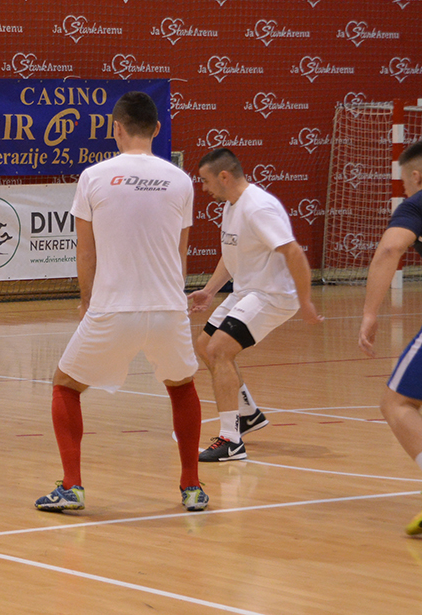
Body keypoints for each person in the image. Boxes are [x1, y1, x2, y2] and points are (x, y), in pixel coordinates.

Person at [35, 91, 208, 514]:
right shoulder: (181, 180)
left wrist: (86, 301)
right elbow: (181, 252)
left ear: (116, 128)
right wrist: (173, 300)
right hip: (168, 307)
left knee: (65, 385)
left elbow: (86, 251)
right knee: (181, 386)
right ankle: (191, 487)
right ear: (157, 129)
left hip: (113, 308)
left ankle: (72, 486)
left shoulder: (93, 177)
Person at [190, 148, 322, 462]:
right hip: (246, 292)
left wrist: (305, 300)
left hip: (271, 295)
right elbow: (231, 254)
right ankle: (247, 414)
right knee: (205, 345)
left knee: (220, 350)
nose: (204, 188)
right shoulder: (230, 206)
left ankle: (231, 441)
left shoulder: (258, 207)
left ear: (224, 176)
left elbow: (293, 252)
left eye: (206, 181)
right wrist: (210, 290)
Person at [359, 140, 422, 535]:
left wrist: (370, 313)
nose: (405, 190)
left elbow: (389, 250)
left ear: (416, 176)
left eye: (405, 183)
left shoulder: (416, 204)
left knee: (397, 403)